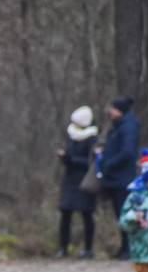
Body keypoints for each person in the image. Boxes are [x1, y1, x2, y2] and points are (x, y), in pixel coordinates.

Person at [97, 95, 141, 259]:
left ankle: (129, 247)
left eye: (113, 109)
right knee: (120, 213)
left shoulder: (129, 126)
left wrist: (110, 163)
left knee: (126, 212)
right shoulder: (118, 126)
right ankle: (124, 247)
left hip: (123, 178)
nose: (110, 112)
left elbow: (127, 152)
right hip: (115, 178)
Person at [55, 105, 99, 258]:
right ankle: (63, 247)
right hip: (70, 179)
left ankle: (88, 248)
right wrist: (65, 159)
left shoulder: (92, 139)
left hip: (85, 180)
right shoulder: (71, 135)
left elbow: (89, 161)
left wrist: (70, 159)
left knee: (87, 215)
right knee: (65, 213)